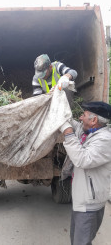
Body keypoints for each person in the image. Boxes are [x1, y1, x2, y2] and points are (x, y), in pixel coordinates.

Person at [59, 101, 111, 245]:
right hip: (81, 201)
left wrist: (68, 133)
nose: (80, 118)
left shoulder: (105, 140)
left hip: (90, 206)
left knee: (81, 242)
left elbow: (83, 160)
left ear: (93, 120)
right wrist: (59, 106)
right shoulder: (88, 131)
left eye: (84, 115)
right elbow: (74, 124)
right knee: (76, 240)